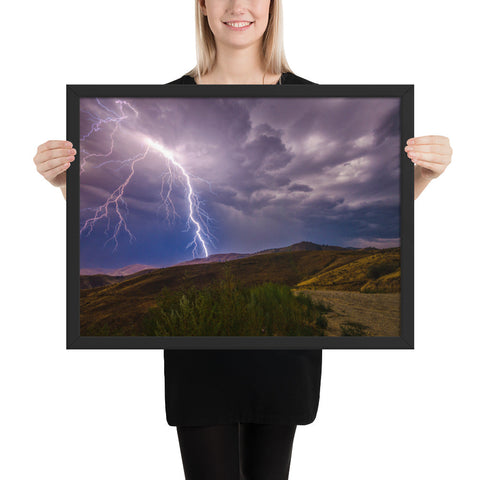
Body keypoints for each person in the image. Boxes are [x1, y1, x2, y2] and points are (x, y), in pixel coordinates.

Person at [33, 1, 453, 479]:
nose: (238, 6)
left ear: (273, 8)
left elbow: (392, 210)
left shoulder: (314, 99)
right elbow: (106, 214)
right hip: (200, 364)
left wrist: (420, 178)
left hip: (282, 363)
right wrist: (69, 186)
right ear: (203, 7)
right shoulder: (157, 102)